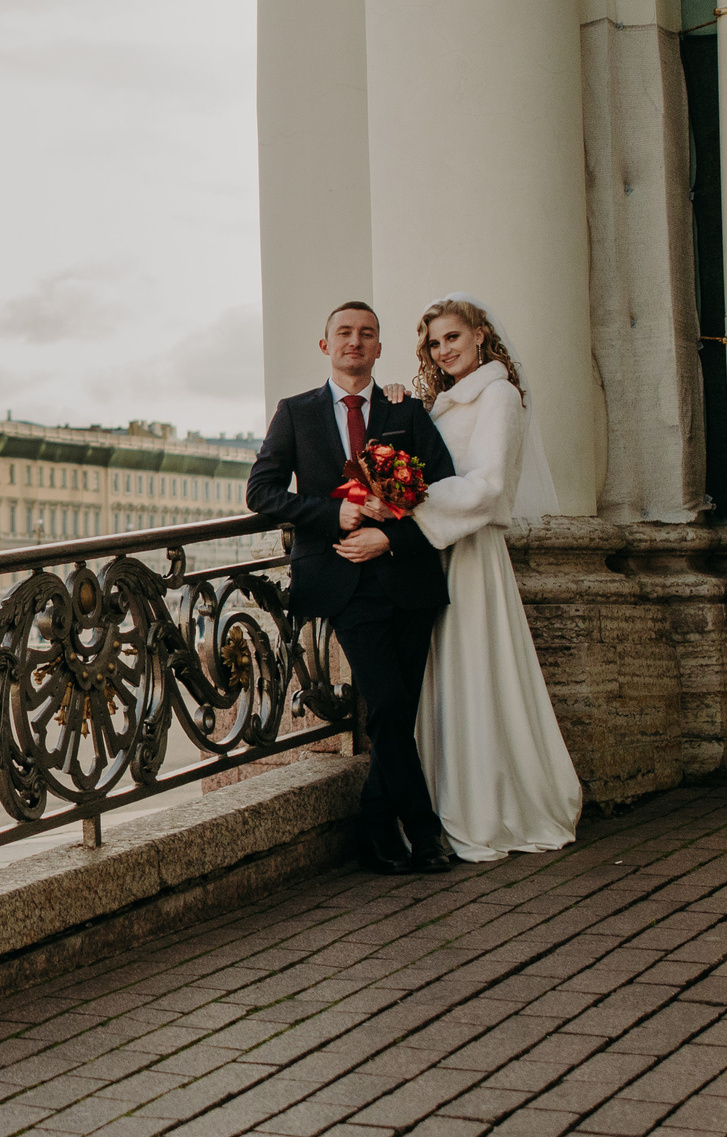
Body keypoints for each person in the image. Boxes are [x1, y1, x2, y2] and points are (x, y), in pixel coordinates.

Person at [248, 301, 459, 876]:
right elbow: (261, 492)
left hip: (408, 576)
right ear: (325, 346)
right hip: (342, 581)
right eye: (343, 333)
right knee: (387, 703)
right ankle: (423, 830)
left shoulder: (404, 410)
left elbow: (442, 490)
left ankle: (375, 833)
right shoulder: (295, 413)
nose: (354, 342)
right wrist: (330, 514)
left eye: (367, 334)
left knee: (398, 711)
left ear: (379, 348)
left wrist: (389, 539)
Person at [395, 295, 583, 861]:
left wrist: (409, 503)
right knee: (447, 673)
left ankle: (489, 805)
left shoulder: (498, 395)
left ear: (480, 335)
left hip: (471, 553)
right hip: (439, 550)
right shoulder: (442, 404)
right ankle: (448, 798)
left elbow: (490, 485)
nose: (443, 349)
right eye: (434, 342)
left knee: (475, 669)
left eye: (453, 337)